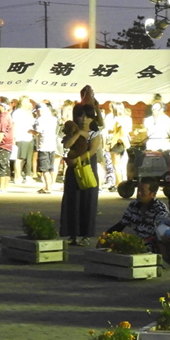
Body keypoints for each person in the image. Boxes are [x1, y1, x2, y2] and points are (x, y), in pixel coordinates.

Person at [59, 103, 102, 246]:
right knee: (72, 200)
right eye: (80, 115)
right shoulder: (72, 131)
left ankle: (86, 235)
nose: (83, 119)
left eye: (87, 116)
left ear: (91, 119)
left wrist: (75, 160)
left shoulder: (95, 134)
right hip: (73, 170)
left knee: (87, 201)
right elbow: (66, 145)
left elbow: (92, 152)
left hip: (87, 168)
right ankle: (72, 234)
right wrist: (78, 134)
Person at [101, 177, 170, 250]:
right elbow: (121, 224)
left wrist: (139, 245)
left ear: (153, 194)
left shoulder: (160, 210)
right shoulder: (133, 205)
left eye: (143, 191)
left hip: (155, 248)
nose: (139, 193)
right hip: (138, 245)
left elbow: (162, 236)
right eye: (138, 190)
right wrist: (105, 236)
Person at [11, 97, 35, 184]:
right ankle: (17, 176)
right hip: (20, 137)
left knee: (24, 158)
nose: (29, 103)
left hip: (29, 137)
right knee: (19, 158)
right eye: (27, 101)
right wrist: (13, 137)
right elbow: (15, 124)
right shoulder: (18, 112)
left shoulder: (28, 113)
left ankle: (21, 175)